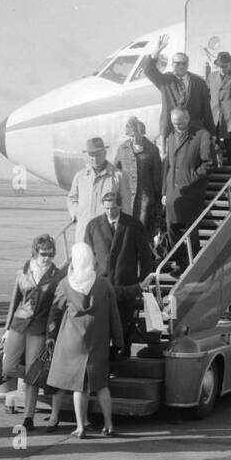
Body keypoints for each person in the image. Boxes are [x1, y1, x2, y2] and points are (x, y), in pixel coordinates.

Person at [47, 244, 126, 438]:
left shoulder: (65, 284)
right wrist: (119, 342)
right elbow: (114, 316)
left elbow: (55, 312)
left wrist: (50, 335)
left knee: (77, 386)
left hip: (72, 341)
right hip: (98, 341)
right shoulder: (104, 284)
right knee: (101, 385)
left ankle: (80, 427)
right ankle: (108, 424)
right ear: (91, 260)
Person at [2, 234, 68, 432]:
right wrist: (6, 328)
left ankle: (28, 418)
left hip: (39, 328)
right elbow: (15, 299)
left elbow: (54, 310)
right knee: (8, 367)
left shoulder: (57, 276)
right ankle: (41, 378)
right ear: (35, 252)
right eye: (43, 254)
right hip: (19, 323)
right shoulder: (25, 268)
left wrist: (50, 336)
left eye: (50, 254)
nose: (46, 257)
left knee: (31, 374)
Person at [83, 190, 154, 351]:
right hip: (102, 284)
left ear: (120, 206)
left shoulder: (134, 225)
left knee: (124, 323)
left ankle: (123, 353)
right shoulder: (93, 226)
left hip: (126, 283)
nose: (110, 211)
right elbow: (86, 255)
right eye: (106, 208)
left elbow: (144, 255)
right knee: (103, 324)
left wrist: (144, 280)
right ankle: (107, 358)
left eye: (113, 208)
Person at [162, 107, 216, 270]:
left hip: (192, 191)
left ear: (188, 119)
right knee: (171, 226)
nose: (177, 126)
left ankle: (192, 263)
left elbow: (209, 164)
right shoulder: (171, 137)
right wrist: (164, 191)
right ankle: (179, 262)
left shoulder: (202, 136)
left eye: (180, 123)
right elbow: (168, 166)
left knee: (190, 229)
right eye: (174, 123)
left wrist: (191, 178)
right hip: (173, 191)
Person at [141, 35, 214, 141]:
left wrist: (211, 133)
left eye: (183, 63)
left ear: (188, 65)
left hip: (194, 132)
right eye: (177, 63)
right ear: (171, 64)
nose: (180, 66)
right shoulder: (165, 81)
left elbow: (206, 110)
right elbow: (148, 70)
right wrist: (157, 51)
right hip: (171, 131)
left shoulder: (199, 82)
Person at [67, 136, 131, 246]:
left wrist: (123, 233)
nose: (94, 159)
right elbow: (72, 198)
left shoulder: (118, 176)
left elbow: (126, 208)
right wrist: (76, 213)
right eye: (91, 156)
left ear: (105, 153)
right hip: (83, 234)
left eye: (98, 155)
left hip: (108, 236)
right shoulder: (80, 176)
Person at [115, 116, 162, 239]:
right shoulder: (122, 149)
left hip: (145, 199)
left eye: (136, 134)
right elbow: (116, 172)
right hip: (127, 199)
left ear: (142, 133)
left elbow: (157, 177)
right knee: (127, 232)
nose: (133, 138)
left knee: (143, 232)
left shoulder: (152, 150)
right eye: (130, 135)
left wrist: (158, 200)